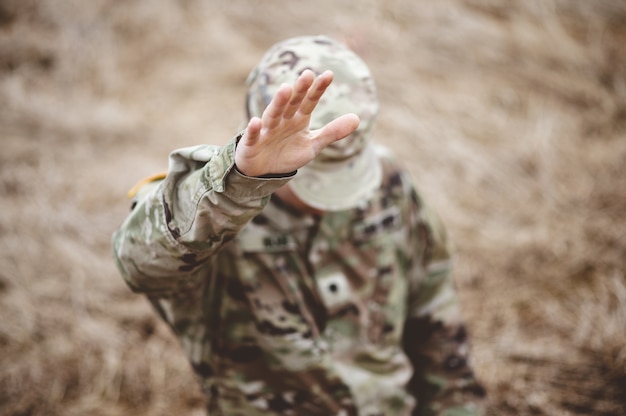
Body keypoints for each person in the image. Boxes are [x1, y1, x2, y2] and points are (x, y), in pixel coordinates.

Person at [112, 35, 486, 416]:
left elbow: (436, 318)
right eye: (308, 177)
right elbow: (138, 265)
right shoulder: (207, 210)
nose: (325, 204)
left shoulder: (390, 186)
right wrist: (237, 182)